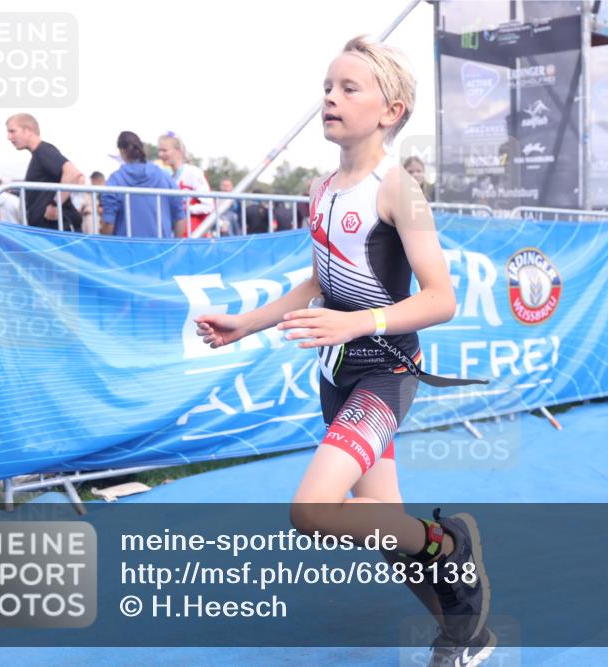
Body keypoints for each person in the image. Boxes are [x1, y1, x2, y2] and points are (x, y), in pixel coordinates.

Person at [193, 35, 495, 666]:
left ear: (391, 109)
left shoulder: (398, 190)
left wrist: (359, 324)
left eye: (348, 87)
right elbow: (318, 281)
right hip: (337, 377)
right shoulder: (322, 187)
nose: (330, 97)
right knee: (388, 530)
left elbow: (441, 298)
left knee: (313, 509)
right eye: (327, 87)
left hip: (384, 373)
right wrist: (247, 323)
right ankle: (465, 636)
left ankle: (451, 542)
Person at [5, 112, 84, 231]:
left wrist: (55, 204)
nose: (9, 137)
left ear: (28, 130)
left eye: (12, 131)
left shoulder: (43, 151)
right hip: (47, 230)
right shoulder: (39, 153)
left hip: (58, 230)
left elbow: (73, 172)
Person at [100, 132, 185, 237]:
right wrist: (174, 249)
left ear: (122, 151)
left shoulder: (115, 181)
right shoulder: (164, 177)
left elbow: (108, 222)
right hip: (160, 250)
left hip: (126, 250)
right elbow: (180, 217)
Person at [157, 133, 213, 237]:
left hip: (194, 237)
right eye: (159, 150)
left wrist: (185, 209)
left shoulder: (193, 172)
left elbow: (208, 206)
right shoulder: (167, 177)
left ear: (179, 152)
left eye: (164, 150)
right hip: (176, 236)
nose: (160, 154)